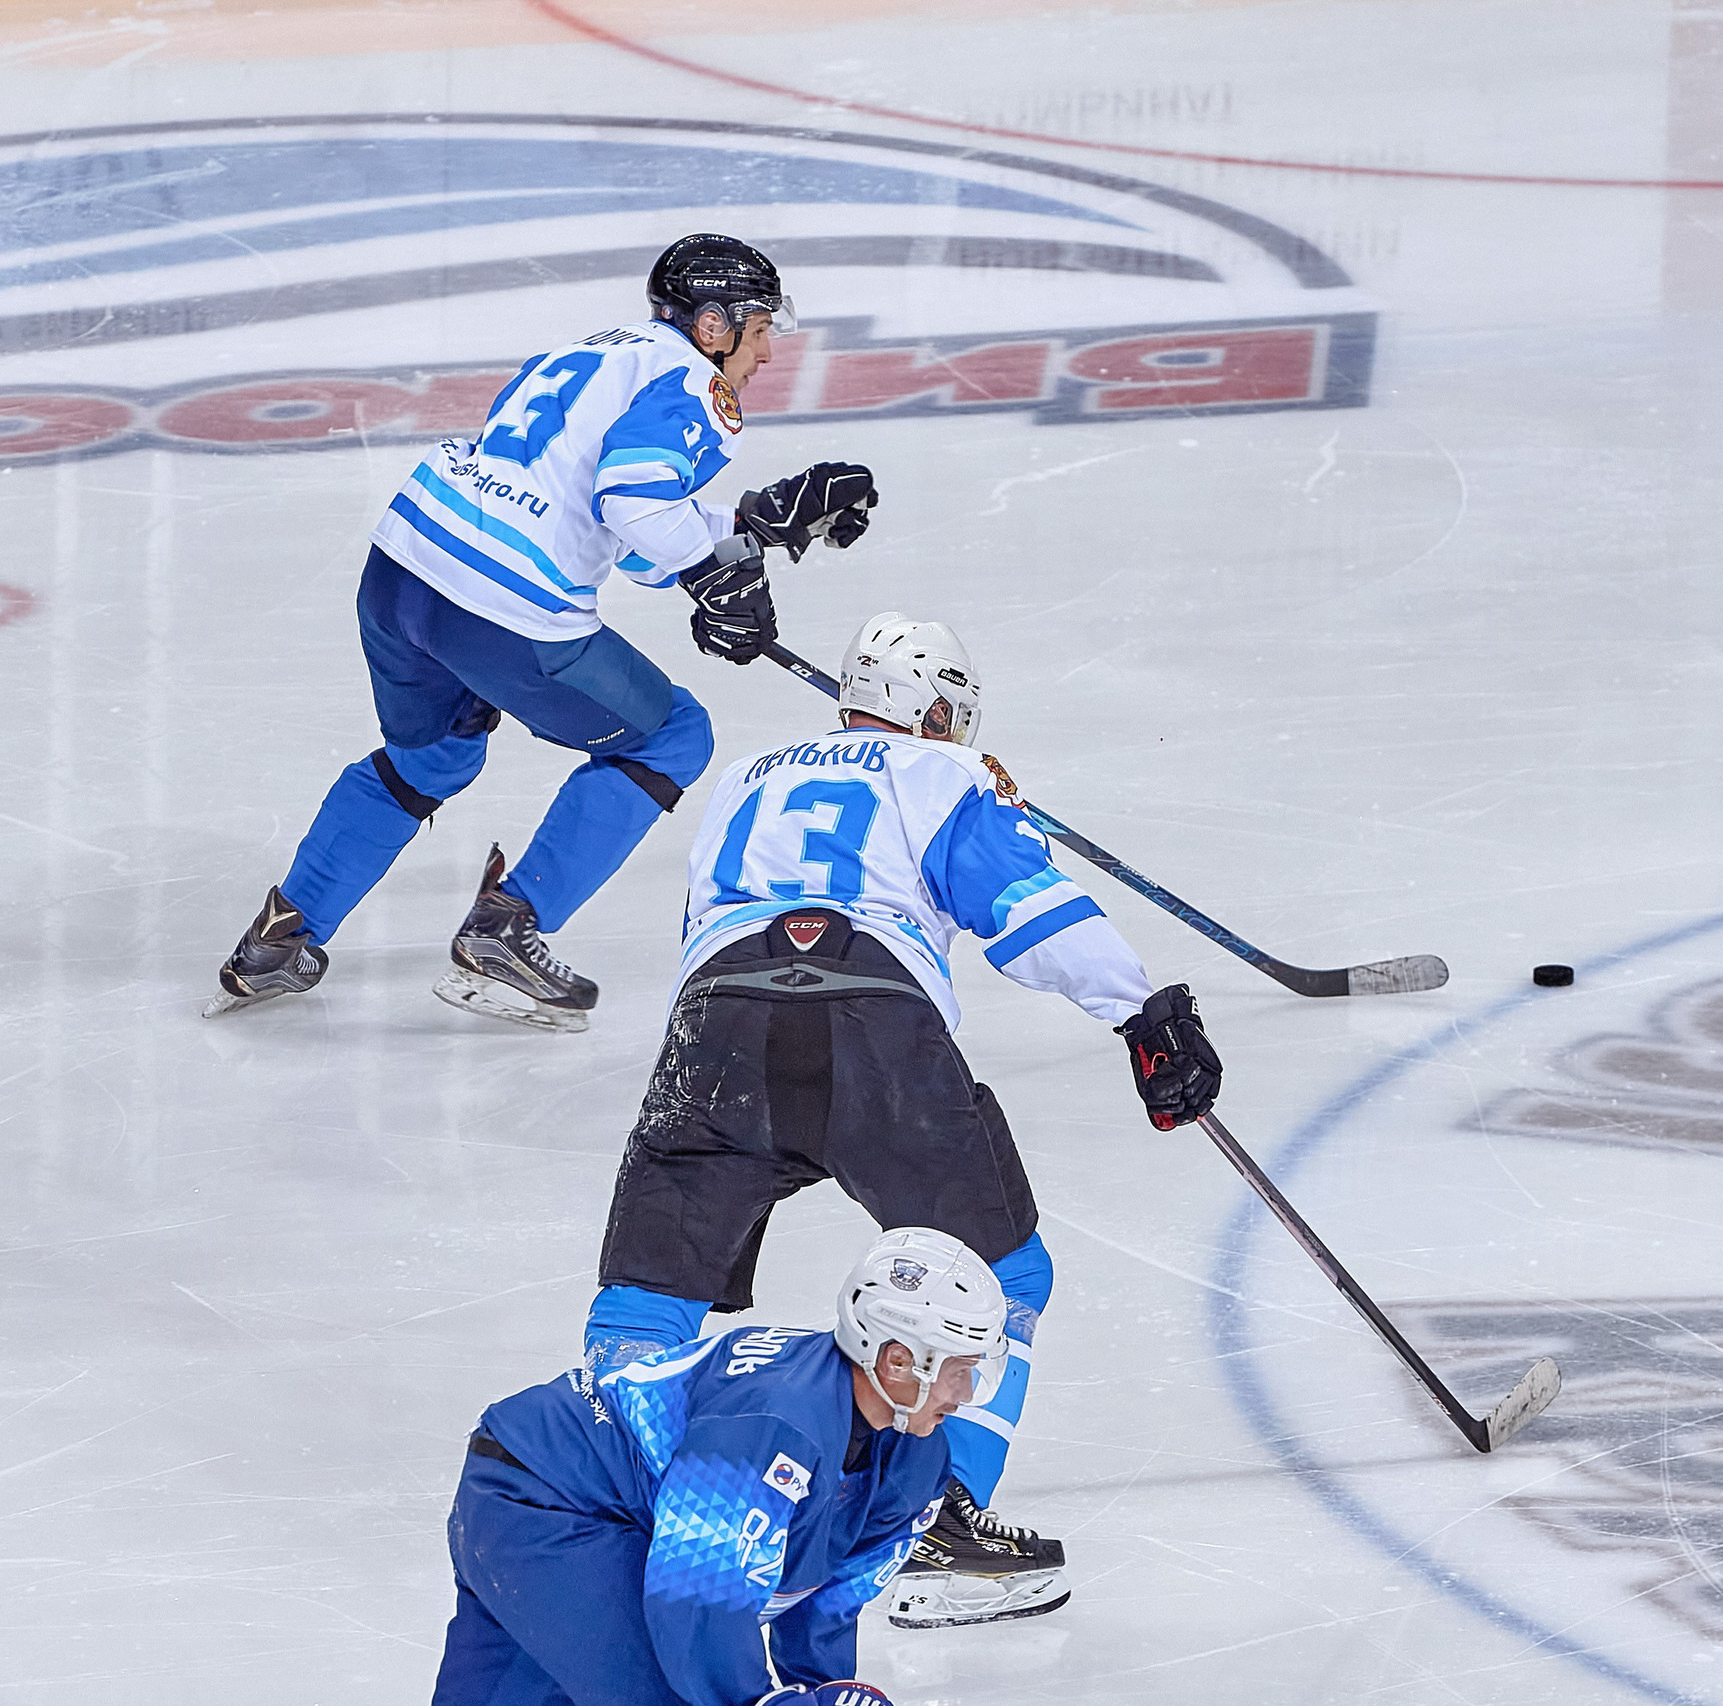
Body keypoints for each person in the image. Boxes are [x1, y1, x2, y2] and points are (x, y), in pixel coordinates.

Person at [577, 612, 1226, 1628]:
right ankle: (935, 1521)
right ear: (935, 712)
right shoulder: (942, 776)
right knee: (1007, 1274)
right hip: (870, 1019)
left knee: (647, 1290)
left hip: (715, 1023)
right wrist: (1140, 1014)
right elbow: (1028, 908)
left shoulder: (746, 777)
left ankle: (611, 1515)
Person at [207, 234, 879, 1032]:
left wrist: (746, 531)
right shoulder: (695, 384)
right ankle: (507, 930)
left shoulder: (594, 352)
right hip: (503, 606)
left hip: (403, 568)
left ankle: (284, 936)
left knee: (433, 756)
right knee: (672, 738)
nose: (768, 351)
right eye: (759, 327)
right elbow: (634, 504)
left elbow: (616, 524)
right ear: (711, 326)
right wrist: (717, 576)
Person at [431, 1227, 1004, 1706]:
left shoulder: (918, 1455)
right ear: (897, 1359)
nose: (967, 1390)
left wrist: (822, 1691)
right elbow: (698, 1592)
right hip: (550, 1498)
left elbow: (828, 1601)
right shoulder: (776, 1420)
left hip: (580, 1502)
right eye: (956, 1368)